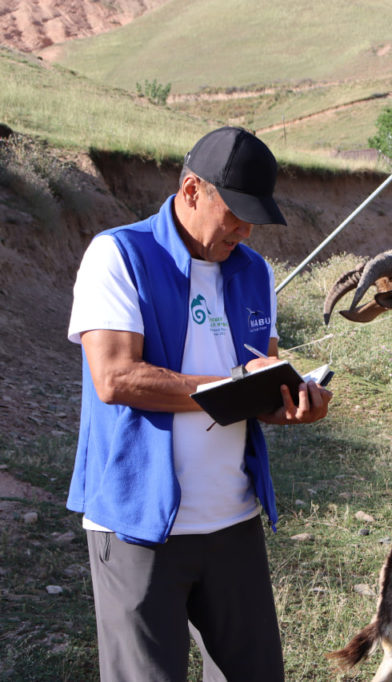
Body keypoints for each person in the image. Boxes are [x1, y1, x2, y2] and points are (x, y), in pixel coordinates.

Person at [67, 126, 332, 681]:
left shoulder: (254, 271)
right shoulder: (118, 254)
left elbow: (259, 382)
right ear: (192, 190)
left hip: (232, 519)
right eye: (234, 210)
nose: (244, 227)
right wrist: (232, 384)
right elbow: (115, 378)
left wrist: (288, 401)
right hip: (139, 522)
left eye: (254, 214)